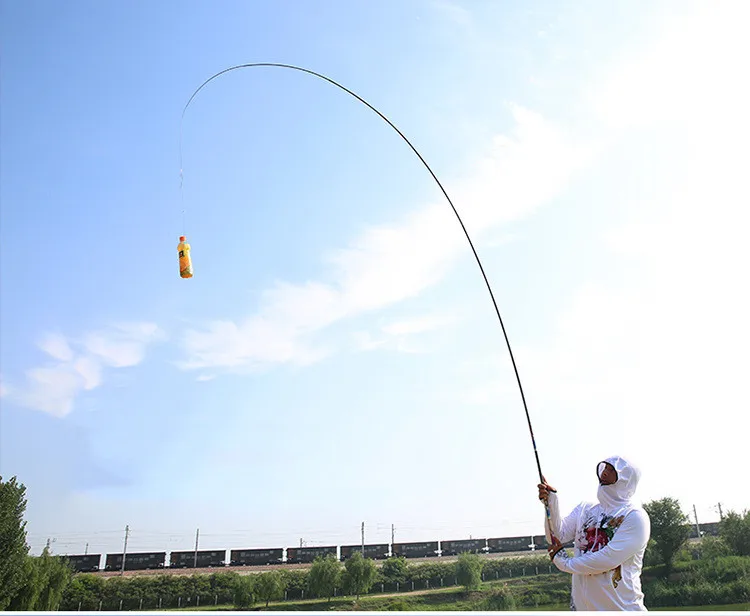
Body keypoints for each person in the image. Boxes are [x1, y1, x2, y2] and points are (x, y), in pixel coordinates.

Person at [538, 455, 651, 611]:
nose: (604, 473)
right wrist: (551, 502)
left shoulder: (635, 516)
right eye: (605, 468)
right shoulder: (585, 509)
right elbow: (557, 536)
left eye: (612, 470)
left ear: (626, 480)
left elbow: (607, 558)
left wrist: (564, 562)